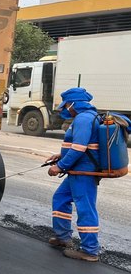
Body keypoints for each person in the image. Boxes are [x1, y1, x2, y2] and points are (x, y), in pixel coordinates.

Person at [46, 87, 101, 262]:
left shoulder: (84, 119)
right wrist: (61, 155)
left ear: (74, 104)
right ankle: (63, 238)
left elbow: (79, 148)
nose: (65, 108)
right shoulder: (84, 117)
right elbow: (81, 146)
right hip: (77, 170)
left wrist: (59, 166)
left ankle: (90, 250)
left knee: (85, 208)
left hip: (83, 172)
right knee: (60, 198)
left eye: (67, 105)